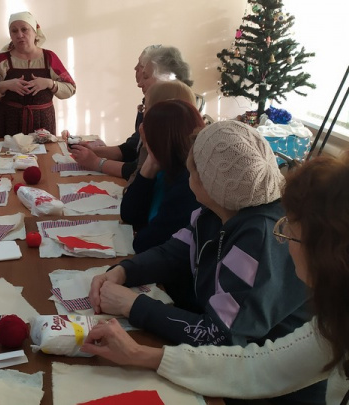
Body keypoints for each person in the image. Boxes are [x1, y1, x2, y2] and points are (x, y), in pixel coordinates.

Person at [88, 120, 324, 404]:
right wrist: (124, 271)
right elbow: (175, 251)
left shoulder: (259, 237)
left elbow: (220, 337)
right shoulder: (217, 211)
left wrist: (133, 305)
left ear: (209, 183)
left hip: (263, 390)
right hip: (228, 370)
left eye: (191, 172)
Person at [70, 46, 193, 180]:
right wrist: (94, 152)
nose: (139, 84)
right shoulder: (154, 107)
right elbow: (133, 148)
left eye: (145, 76)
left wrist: (96, 162)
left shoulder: (170, 119)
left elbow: (140, 169)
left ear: (166, 80)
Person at [120, 99, 203, 253]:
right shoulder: (164, 168)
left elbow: (144, 244)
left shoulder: (187, 184)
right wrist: (150, 163)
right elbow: (128, 214)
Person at [0, 11, 76, 138]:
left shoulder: (49, 57)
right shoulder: (1, 59)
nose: (19, 35)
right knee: (7, 150)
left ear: (35, 32)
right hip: (7, 120)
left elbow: (70, 88)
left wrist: (49, 83)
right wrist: (6, 85)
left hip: (42, 121)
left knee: (42, 151)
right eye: (14, 31)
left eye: (24, 29)